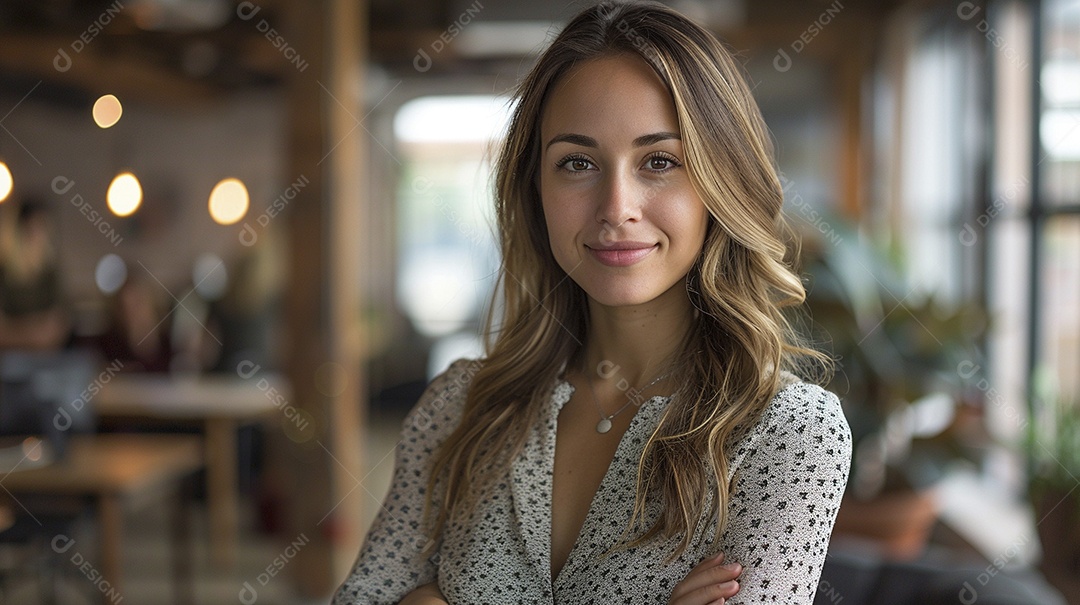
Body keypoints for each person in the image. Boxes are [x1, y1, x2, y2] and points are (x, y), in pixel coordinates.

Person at [334, 2, 851, 603]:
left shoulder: (788, 434)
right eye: (577, 163)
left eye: (660, 161)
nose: (616, 206)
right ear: (537, 191)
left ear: (722, 184)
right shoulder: (457, 408)